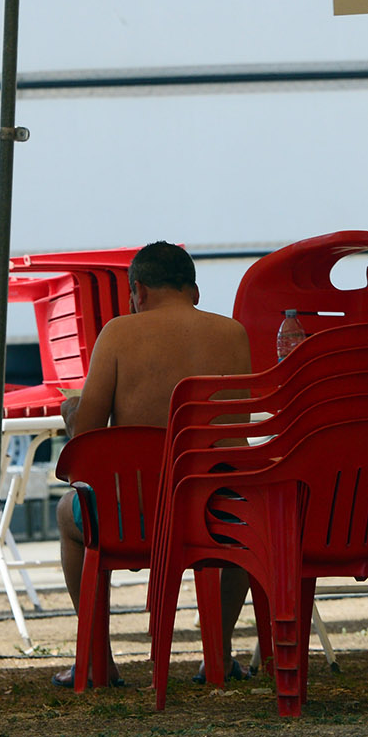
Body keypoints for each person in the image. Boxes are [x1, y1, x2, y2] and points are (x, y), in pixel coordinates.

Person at [52, 240, 253, 689]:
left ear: (138, 291)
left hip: (131, 519)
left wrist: (71, 412)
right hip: (212, 516)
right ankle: (217, 656)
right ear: (195, 291)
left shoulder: (120, 333)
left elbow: (85, 437)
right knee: (242, 515)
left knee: (68, 513)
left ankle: (95, 661)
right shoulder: (233, 334)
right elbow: (234, 432)